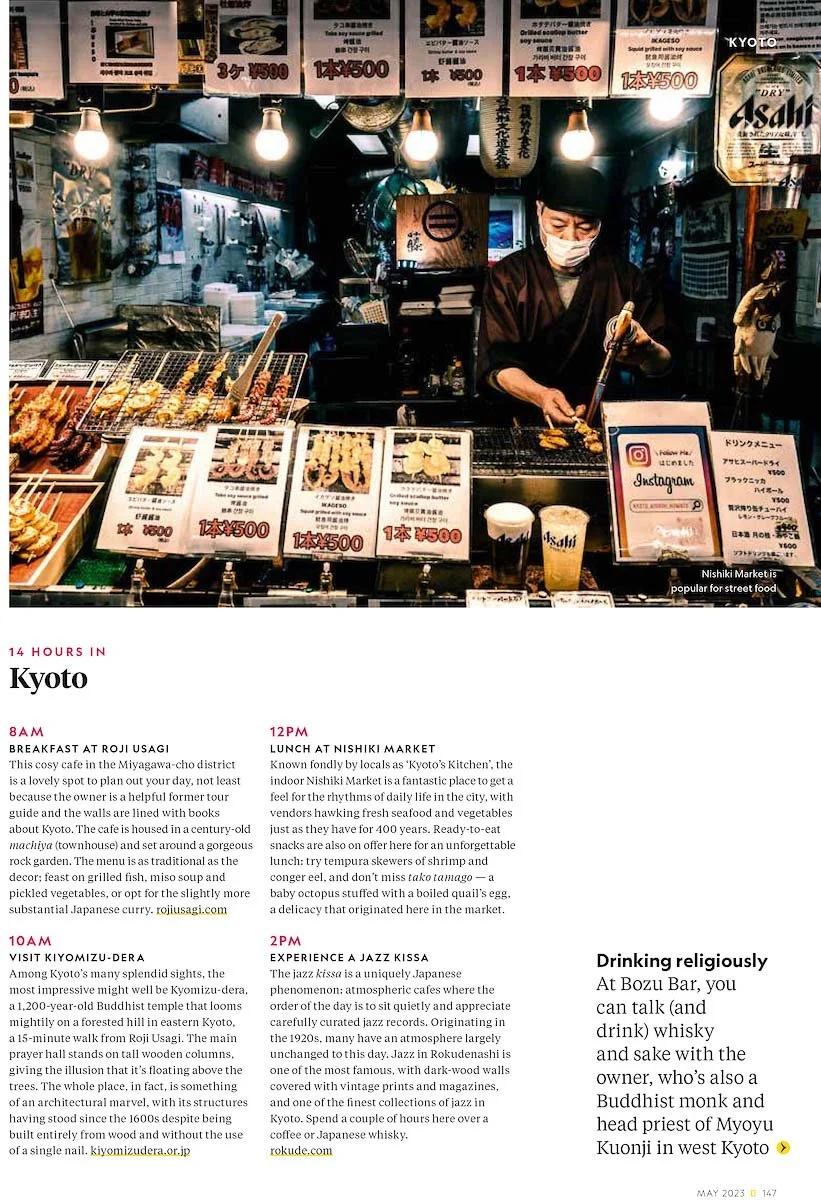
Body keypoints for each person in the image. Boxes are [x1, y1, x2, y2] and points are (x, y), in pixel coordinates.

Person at [478, 162, 672, 426]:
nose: (570, 237)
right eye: (558, 224)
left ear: (600, 225)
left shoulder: (626, 279)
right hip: (526, 421)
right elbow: (496, 365)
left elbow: (663, 363)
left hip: (604, 422)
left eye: (585, 226)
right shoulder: (508, 277)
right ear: (539, 210)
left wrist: (647, 350)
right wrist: (541, 395)